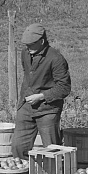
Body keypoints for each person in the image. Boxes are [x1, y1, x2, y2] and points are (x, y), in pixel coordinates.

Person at [11, 23, 71, 159]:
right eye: (26, 44)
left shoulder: (56, 58)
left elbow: (64, 87)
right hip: (26, 106)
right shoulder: (25, 53)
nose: (28, 47)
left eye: (31, 44)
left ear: (42, 41)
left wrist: (41, 96)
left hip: (48, 109)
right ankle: (26, 172)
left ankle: (54, 173)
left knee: (52, 150)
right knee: (18, 147)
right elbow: (28, 75)